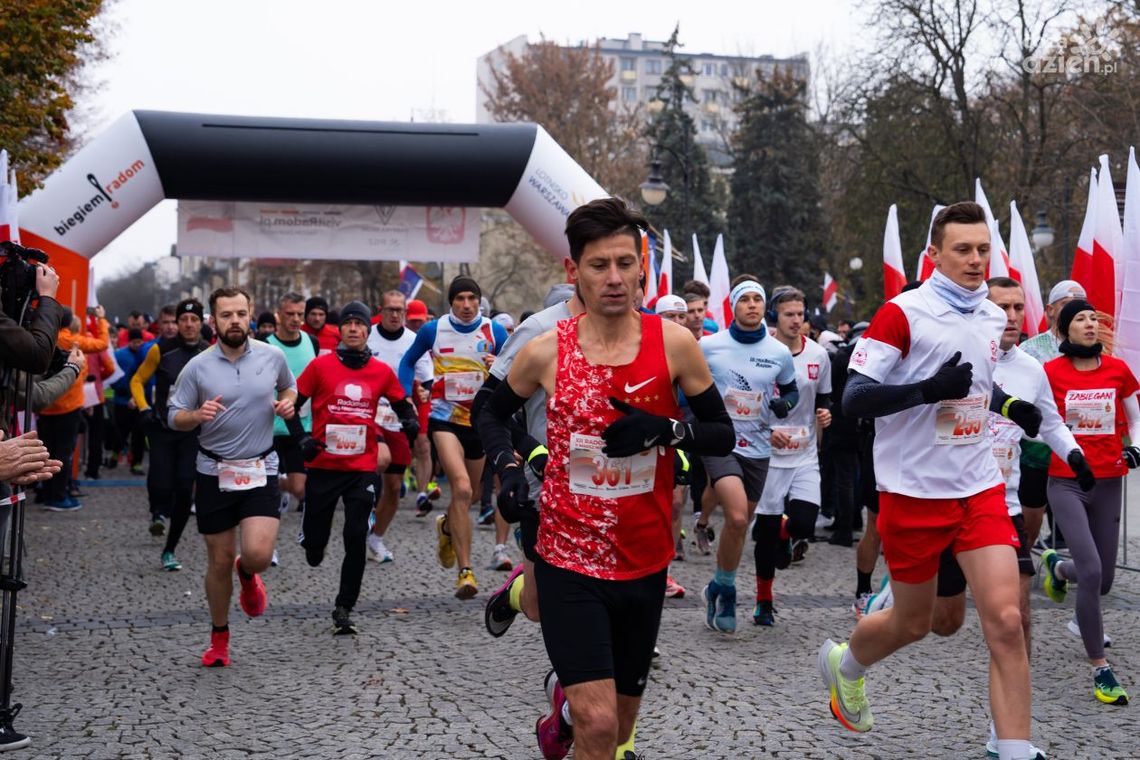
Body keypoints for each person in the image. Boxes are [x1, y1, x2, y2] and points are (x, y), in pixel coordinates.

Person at [479, 197, 734, 760]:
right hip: (568, 557)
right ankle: (574, 713)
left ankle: (562, 713)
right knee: (597, 726)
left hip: (644, 560)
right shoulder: (545, 350)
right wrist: (509, 469)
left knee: (616, 731)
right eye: (599, 265)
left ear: (642, 265)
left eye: (625, 263)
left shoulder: (675, 345)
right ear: (574, 271)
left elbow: (721, 433)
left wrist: (664, 430)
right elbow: (491, 415)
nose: (614, 278)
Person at [818, 202, 1042, 760]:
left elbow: (974, 385)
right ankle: (845, 666)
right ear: (934, 254)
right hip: (913, 492)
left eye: (982, 249)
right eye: (962, 249)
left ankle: (1015, 749)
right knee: (919, 625)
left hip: (979, 486)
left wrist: (1010, 406)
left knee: (1008, 620)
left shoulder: (992, 315)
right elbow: (854, 398)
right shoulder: (903, 313)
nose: (973, 260)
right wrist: (925, 389)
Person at [918, 278, 1084, 759]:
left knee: (1016, 616)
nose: (1011, 315)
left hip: (1001, 505)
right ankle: (902, 598)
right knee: (942, 622)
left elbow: (1050, 422)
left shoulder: (1032, 368)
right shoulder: (952, 358)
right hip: (946, 502)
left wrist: (1073, 456)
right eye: (1001, 307)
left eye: (1017, 307)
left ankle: (1007, 734)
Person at [167, 287, 297, 667]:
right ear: (214, 321)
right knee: (219, 559)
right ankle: (219, 637)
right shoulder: (198, 367)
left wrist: (288, 401)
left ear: (250, 314)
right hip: (213, 470)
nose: (235, 321)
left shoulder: (273, 356)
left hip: (260, 467)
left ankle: (248, 573)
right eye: (226, 315)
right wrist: (195, 416)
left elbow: (289, 386)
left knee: (256, 555)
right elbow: (174, 415)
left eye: (241, 313)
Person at [289, 300, 419, 634]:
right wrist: (302, 437)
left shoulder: (380, 371)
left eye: (359, 324)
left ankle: (344, 606)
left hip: (362, 467)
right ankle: (313, 543)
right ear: (341, 330)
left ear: (367, 330)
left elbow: (401, 402)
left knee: (355, 534)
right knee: (316, 544)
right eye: (347, 323)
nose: (353, 328)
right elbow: (293, 406)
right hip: (323, 464)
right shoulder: (321, 367)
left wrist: (409, 422)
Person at [1039, 298, 1139, 706]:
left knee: (1106, 578)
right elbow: (1041, 421)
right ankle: (1101, 667)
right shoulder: (1049, 373)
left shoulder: (1117, 370)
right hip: (1066, 482)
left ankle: (1059, 568)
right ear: (1064, 329)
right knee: (1094, 570)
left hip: (1109, 480)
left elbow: (1135, 415)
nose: (1090, 325)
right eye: (1080, 319)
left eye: (1094, 318)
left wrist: (1137, 448)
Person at [399, 276, 510, 598]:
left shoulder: (495, 331)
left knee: (472, 496)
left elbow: (515, 368)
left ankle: (448, 525)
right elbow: (407, 362)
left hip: (480, 421)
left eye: (471, 299)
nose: (465, 305)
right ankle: (466, 571)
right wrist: (410, 391)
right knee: (460, 487)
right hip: (444, 419)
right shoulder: (433, 330)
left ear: (479, 301)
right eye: (459, 299)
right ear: (451, 302)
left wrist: (499, 364)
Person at [697, 279, 797, 634]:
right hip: (720, 441)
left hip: (758, 446)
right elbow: (685, 382)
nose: (752, 305)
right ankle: (727, 591)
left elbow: (791, 390)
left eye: (758, 299)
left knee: (742, 524)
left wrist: (784, 404)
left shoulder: (778, 352)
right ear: (733, 306)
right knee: (737, 517)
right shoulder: (709, 345)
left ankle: (717, 584)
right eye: (745, 300)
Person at [752, 287, 831, 626]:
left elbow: (824, 399)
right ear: (775, 316)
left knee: (804, 522)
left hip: (804, 453)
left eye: (801, 314)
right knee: (766, 533)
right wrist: (765, 430)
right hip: (768, 453)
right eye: (789, 314)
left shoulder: (819, 355)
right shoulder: (761, 353)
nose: (797, 321)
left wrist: (826, 416)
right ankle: (763, 601)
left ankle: (787, 536)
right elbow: (747, 403)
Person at [131, 298, 210, 570]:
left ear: (201, 323)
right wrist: (143, 408)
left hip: (192, 431)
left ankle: (170, 549)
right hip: (163, 429)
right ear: (177, 323)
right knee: (162, 483)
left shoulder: (210, 352)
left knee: (185, 489)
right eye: (183, 320)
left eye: (194, 320)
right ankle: (157, 513)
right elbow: (137, 380)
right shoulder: (160, 350)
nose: (188, 324)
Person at [1017, 279, 1087, 550]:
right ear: (1050, 310)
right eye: (1068, 305)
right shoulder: (1030, 350)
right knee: (1030, 521)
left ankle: (1071, 565)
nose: (1076, 311)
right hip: (1037, 450)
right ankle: (1022, 564)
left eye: (1082, 306)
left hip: (1077, 446)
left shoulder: (1094, 351)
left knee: (1076, 520)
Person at [366, 290, 432, 562]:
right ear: (381, 310)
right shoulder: (367, 335)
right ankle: (365, 508)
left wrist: (425, 391)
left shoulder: (413, 340)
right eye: (390, 309)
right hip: (368, 415)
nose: (394, 315)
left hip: (399, 418)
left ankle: (376, 538)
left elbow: (426, 377)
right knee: (376, 464)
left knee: (394, 486)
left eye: (399, 310)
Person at [37, 307, 110, 510]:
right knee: (63, 454)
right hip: (67, 407)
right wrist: (102, 320)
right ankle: (59, 497)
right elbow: (102, 344)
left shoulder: (44, 338)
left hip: (44, 404)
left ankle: (47, 494)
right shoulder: (71, 341)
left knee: (47, 452)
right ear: (68, 324)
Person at [261, 293, 319, 527]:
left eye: (299, 314)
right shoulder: (265, 345)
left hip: (301, 425)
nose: (295, 319)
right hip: (270, 426)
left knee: (298, 487)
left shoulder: (311, 342)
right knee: (264, 486)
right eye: (289, 314)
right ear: (279, 315)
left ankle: (281, 484)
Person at [112, 328, 151, 478]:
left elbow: (148, 378)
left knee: (139, 435)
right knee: (121, 433)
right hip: (122, 402)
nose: (137, 344)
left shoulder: (147, 355)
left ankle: (137, 464)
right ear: (129, 341)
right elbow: (112, 375)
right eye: (134, 342)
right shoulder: (119, 355)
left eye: (140, 342)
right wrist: (121, 390)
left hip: (141, 402)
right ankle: (115, 454)